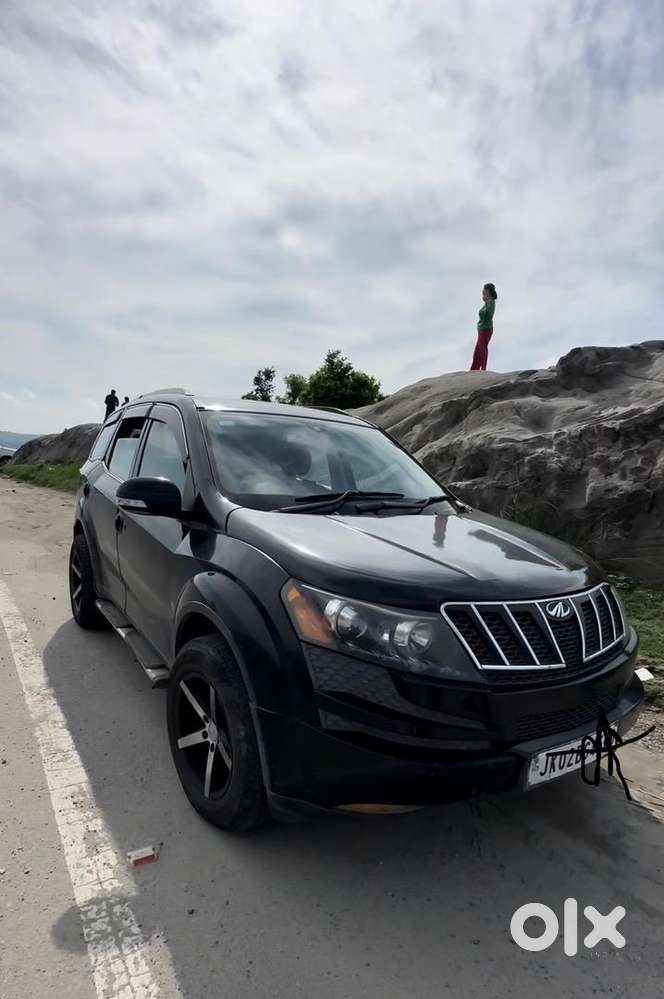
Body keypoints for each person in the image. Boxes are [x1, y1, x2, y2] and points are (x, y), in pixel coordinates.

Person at [470, 283, 498, 371]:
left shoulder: (491, 302)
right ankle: (474, 369)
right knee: (477, 352)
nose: (483, 291)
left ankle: (483, 369)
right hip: (481, 329)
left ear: (488, 291)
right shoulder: (488, 302)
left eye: (484, 289)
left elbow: (489, 314)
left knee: (482, 349)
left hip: (486, 329)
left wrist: (486, 302)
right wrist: (485, 302)